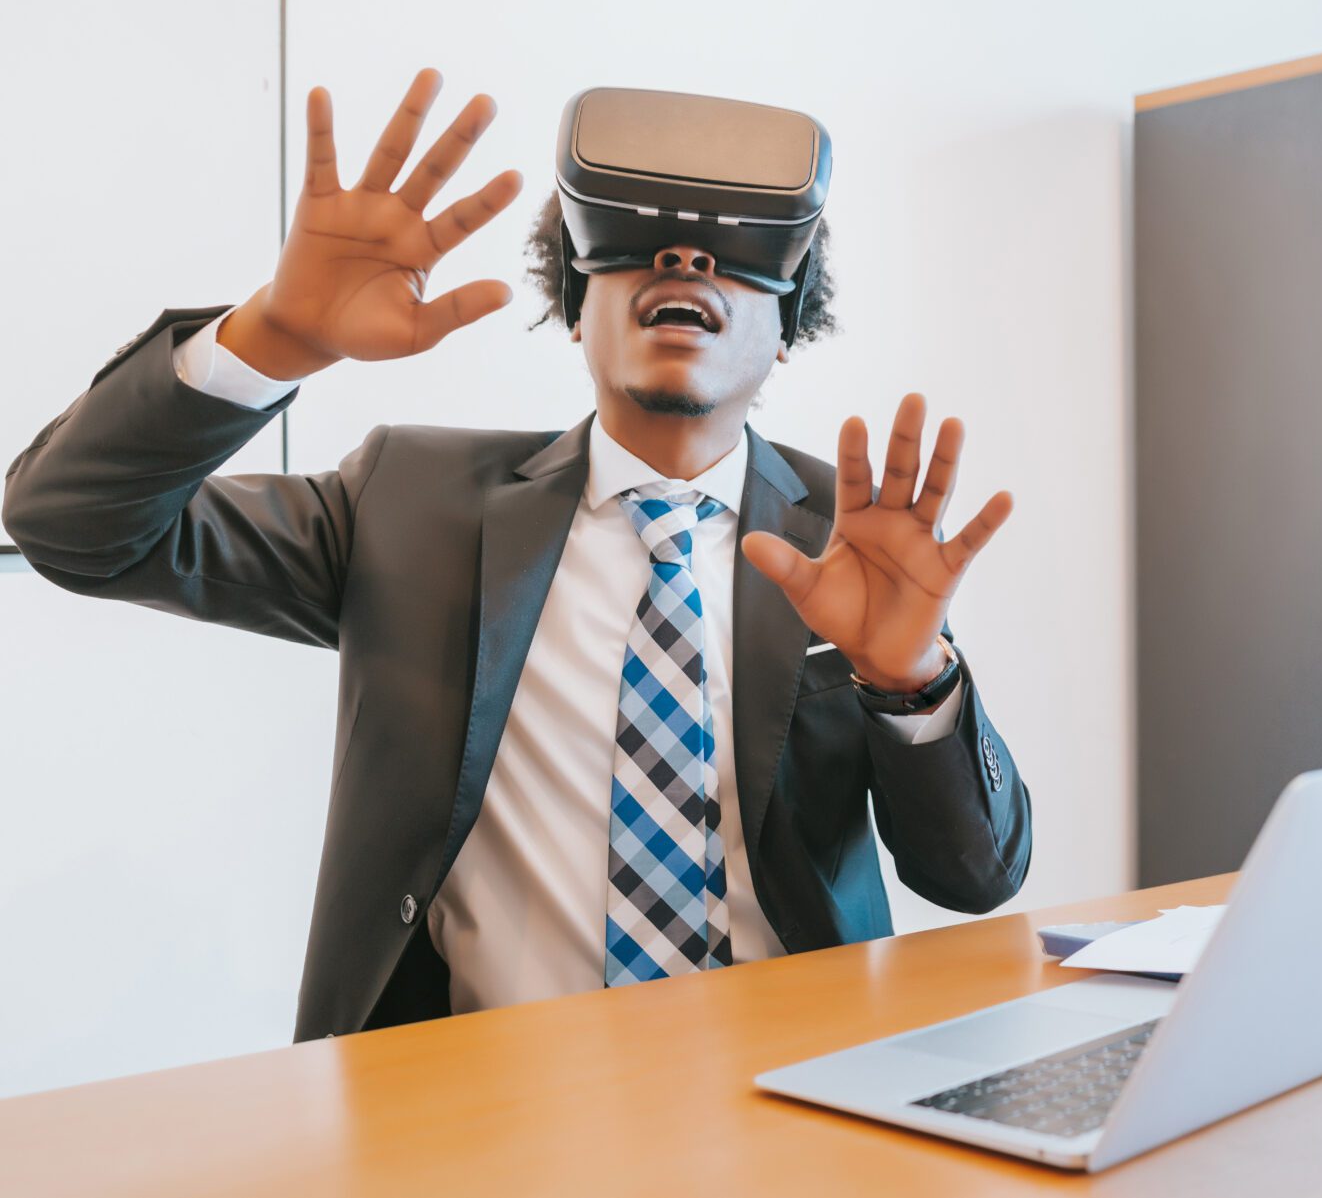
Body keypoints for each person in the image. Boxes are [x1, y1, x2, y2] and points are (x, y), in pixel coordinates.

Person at [2, 70, 1030, 1039]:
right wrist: (274, 335)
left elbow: (975, 879)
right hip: (481, 1107)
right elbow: (72, 524)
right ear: (575, 302)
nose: (684, 264)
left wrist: (910, 680)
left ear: (791, 317)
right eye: (633, 243)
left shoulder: (854, 538)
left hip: (794, 1088)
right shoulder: (410, 506)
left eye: (730, 255)